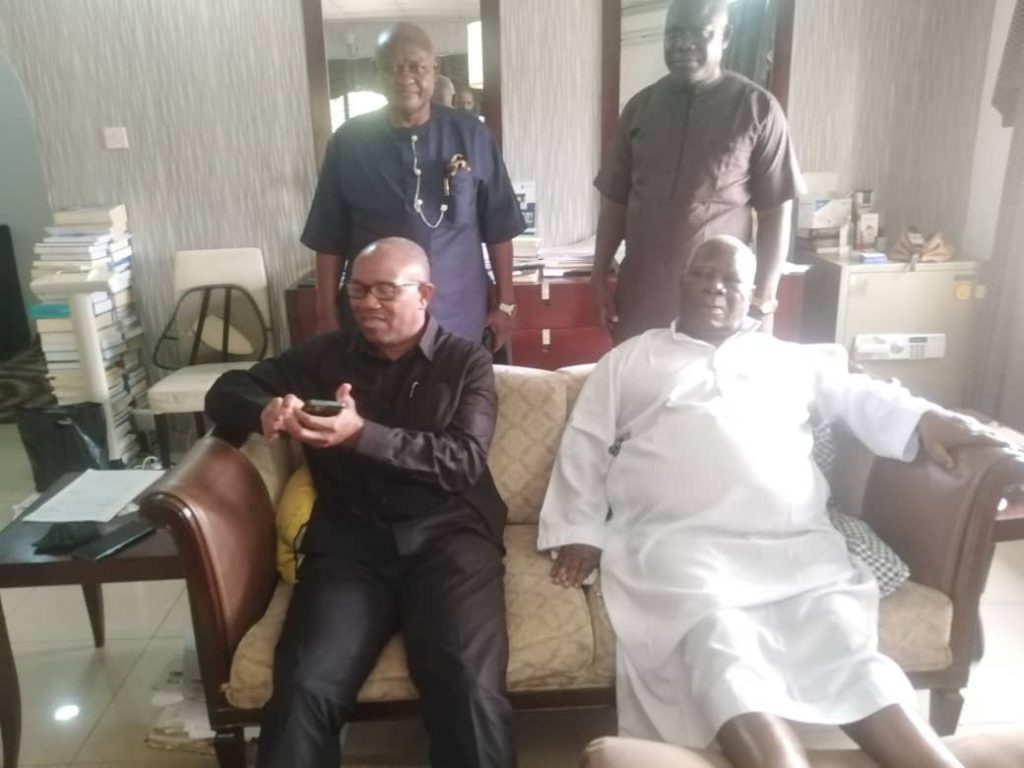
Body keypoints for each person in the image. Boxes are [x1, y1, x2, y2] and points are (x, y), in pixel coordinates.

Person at [539, 236, 1000, 768]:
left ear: (755, 293)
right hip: (680, 548)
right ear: (681, 281)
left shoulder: (790, 359)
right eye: (702, 274)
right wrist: (582, 530)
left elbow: (861, 395)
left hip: (793, 547)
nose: (714, 288)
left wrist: (926, 418)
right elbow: (586, 442)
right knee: (722, 646)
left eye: (731, 280)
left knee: (849, 655)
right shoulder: (629, 359)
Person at [207, 238, 515, 768]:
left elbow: (462, 461)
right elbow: (226, 389)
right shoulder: (323, 356)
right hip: (350, 544)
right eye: (358, 290)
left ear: (424, 294)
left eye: (385, 290)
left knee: (468, 687)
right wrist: (264, 410)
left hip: (449, 539)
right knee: (304, 686)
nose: (368, 302)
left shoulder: (466, 361)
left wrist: (360, 435)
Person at [591, 0, 803, 344]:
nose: (682, 44)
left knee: (713, 377)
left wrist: (764, 296)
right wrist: (598, 277)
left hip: (718, 299)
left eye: (697, 33)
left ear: (725, 36)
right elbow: (614, 202)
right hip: (642, 295)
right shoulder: (640, 108)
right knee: (640, 374)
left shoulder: (758, 109)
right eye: (673, 34)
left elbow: (776, 210)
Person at [302, 22, 524, 351]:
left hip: (458, 313)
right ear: (377, 73)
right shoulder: (348, 142)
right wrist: (325, 313)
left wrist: (505, 304)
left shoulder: (473, 136)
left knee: (458, 384)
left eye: (416, 67)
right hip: (372, 318)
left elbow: (500, 227)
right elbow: (328, 237)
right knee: (370, 385)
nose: (405, 78)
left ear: (435, 68)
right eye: (392, 68)